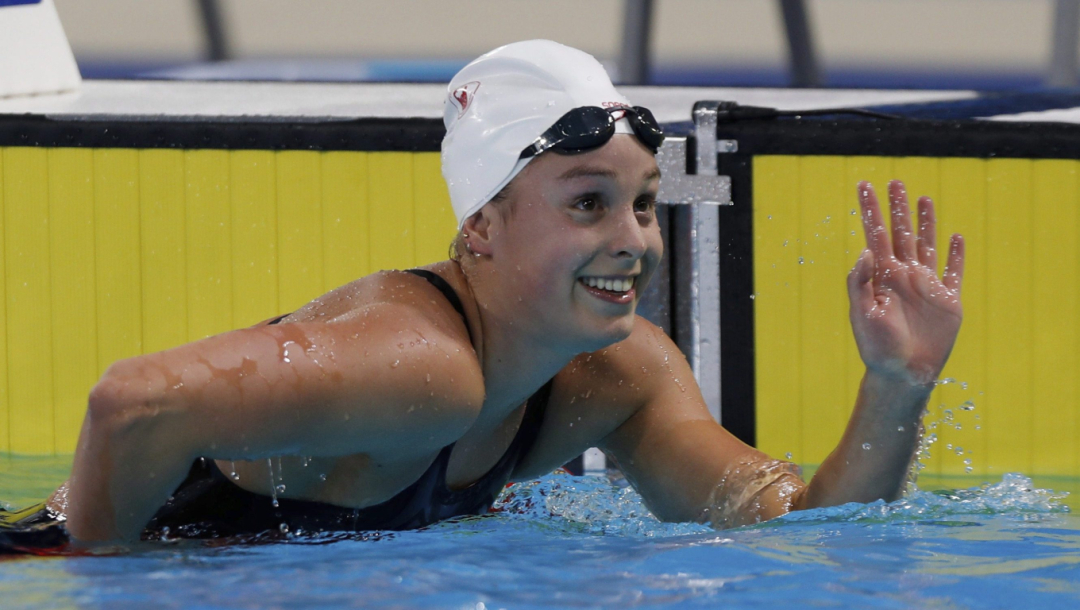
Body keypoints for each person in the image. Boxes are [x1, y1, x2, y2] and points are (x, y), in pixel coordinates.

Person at [2, 40, 964, 549]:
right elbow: (133, 403)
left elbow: (801, 535)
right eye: (587, 204)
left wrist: (895, 385)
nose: (631, 241)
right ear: (482, 229)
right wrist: (107, 581)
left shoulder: (618, 375)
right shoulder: (420, 363)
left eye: (642, 203)